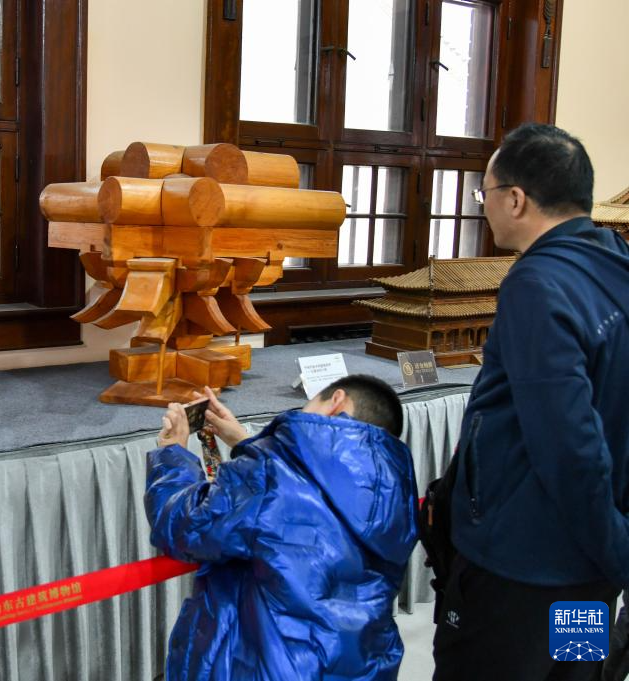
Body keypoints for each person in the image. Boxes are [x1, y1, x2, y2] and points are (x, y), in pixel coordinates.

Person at [432, 123, 629, 681]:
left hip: (523, 571)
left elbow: (569, 445)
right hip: (588, 572)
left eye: (485, 192)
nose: (484, 206)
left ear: (515, 199)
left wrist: (617, 551)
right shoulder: (614, 264)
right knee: (573, 672)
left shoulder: (538, 283)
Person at [145, 375, 419, 680]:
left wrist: (172, 453)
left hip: (269, 664)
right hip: (360, 664)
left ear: (336, 401)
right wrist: (247, 444)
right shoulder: (396, 488)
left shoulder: (268, 473)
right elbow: (310, 483)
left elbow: (182, 524)